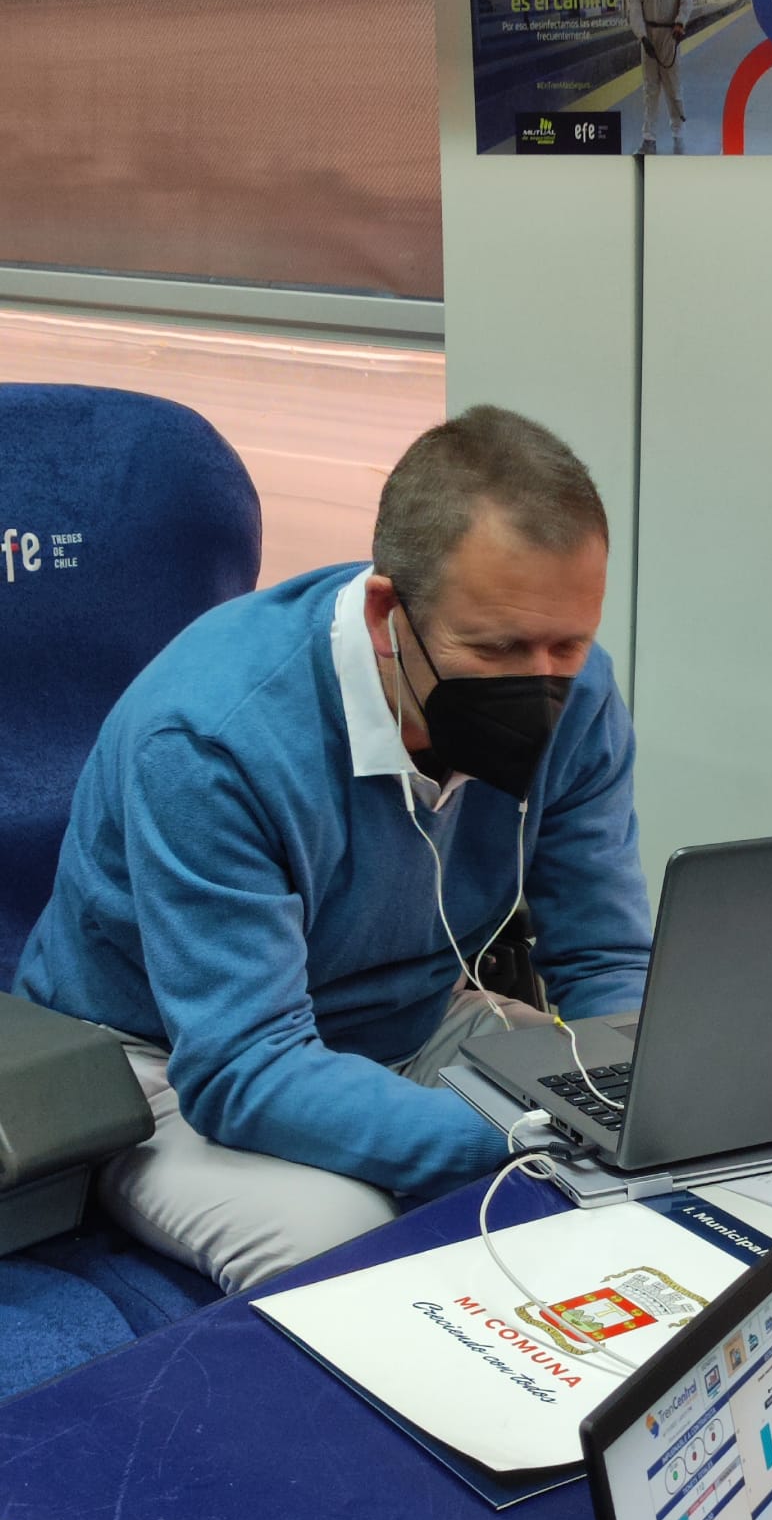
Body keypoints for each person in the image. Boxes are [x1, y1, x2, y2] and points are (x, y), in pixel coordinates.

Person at [15, 405, 653, 1293]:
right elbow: (243, 1067)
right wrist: (519, 1142)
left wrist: (639, 1107)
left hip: (408, 1019)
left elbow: (606, 957)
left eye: (568, 643)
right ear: (391, 613)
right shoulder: (213, 738)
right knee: (349, 1254)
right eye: (498, 648)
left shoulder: (574, 693)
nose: (541, 681)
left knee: (645, 1185)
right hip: (163, 1060)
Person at [628, 0, 693, 154]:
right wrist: (641, 35)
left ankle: (678, 134)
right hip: (648, 34)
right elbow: (634, 6)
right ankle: (649, 138)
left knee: (673, 87)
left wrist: (680, 22)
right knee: (650, 88)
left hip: (669, 35)